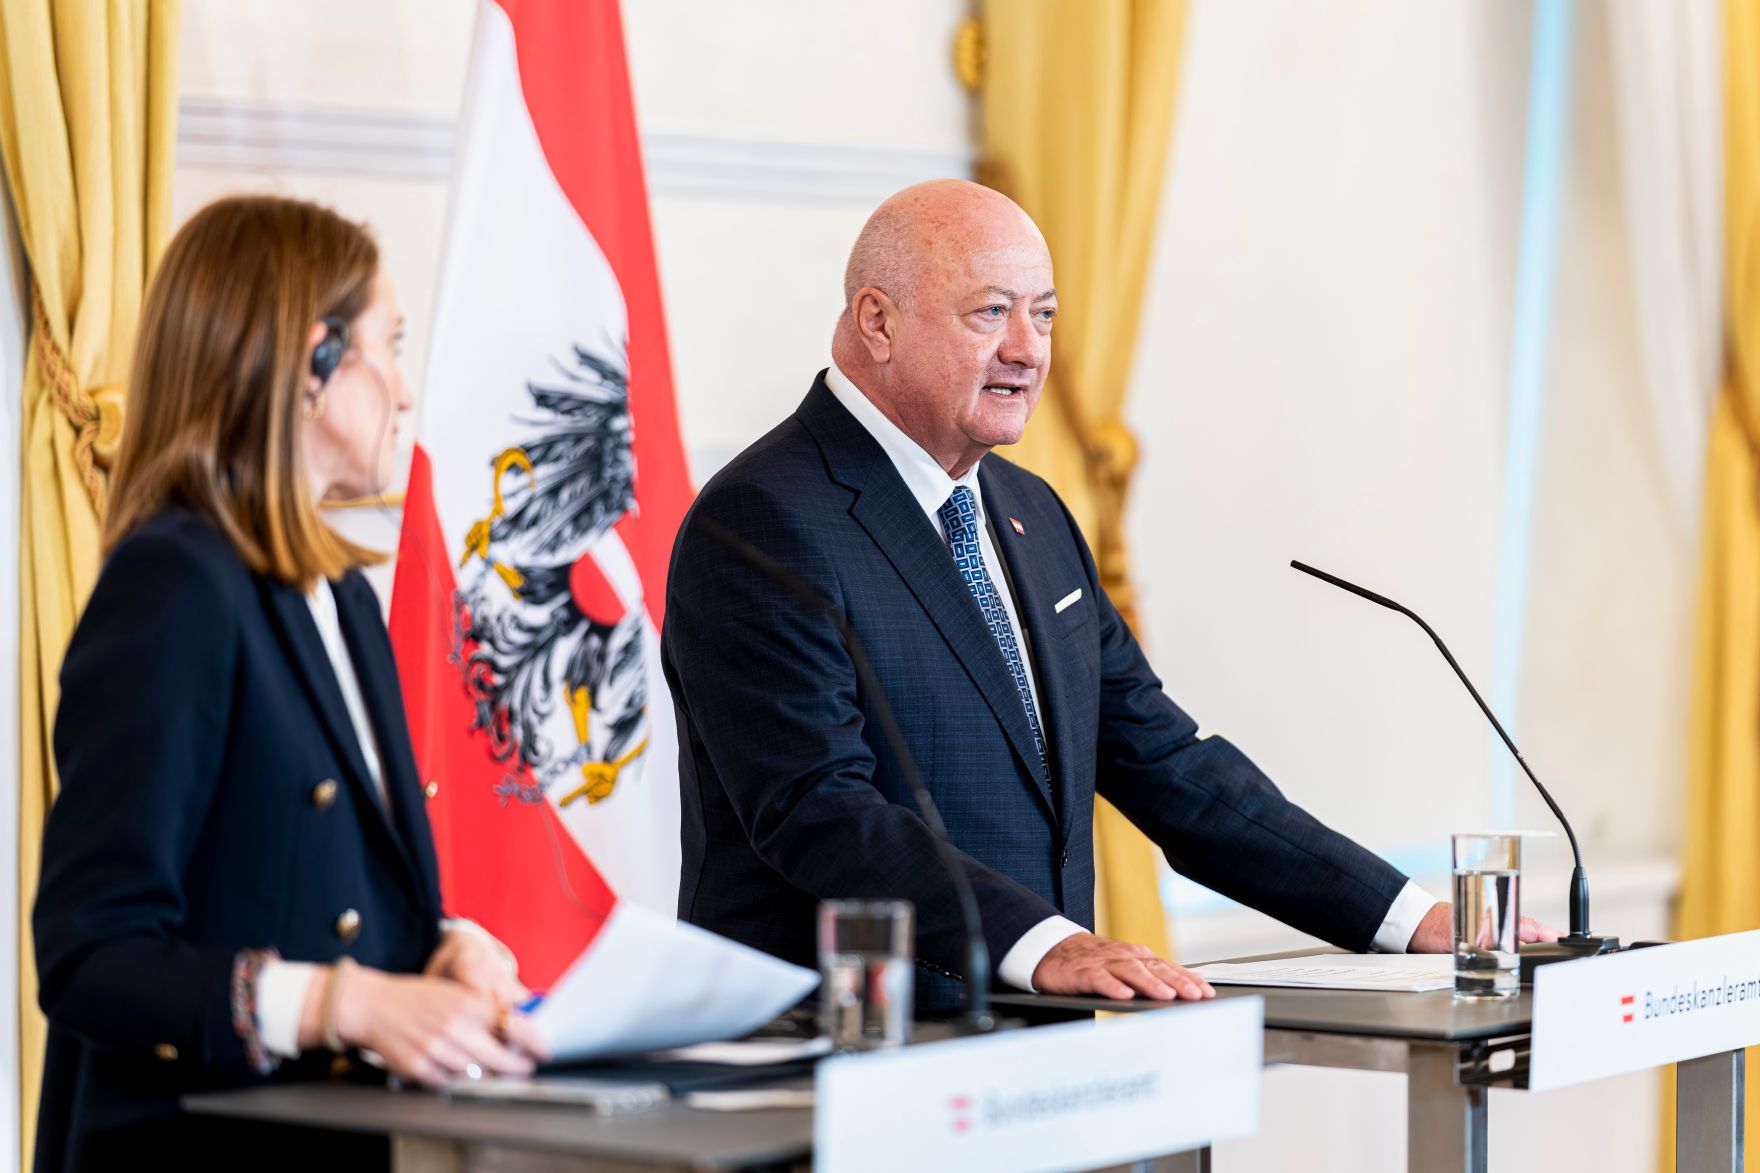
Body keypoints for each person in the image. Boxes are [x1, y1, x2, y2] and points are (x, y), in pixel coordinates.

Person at [662, 180, 1556, 1013]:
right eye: (991, 313)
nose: (1028, 348)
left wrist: (1404, 917)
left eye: (1043, 314)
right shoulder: (764, 521)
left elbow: (1167, 764)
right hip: (840, 1058)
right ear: (877, 321)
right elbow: (820, 810)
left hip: (1032, 1049)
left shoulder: (1030, 513)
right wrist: (1047, 945)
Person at [32, 195, 548, 1171]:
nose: (404, 389)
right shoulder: (175, 582)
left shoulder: (341, 595)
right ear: (314, 362)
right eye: (388, 344)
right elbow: (90, 952)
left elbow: (318, 889)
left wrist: (444, 947)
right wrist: (339, 1001)